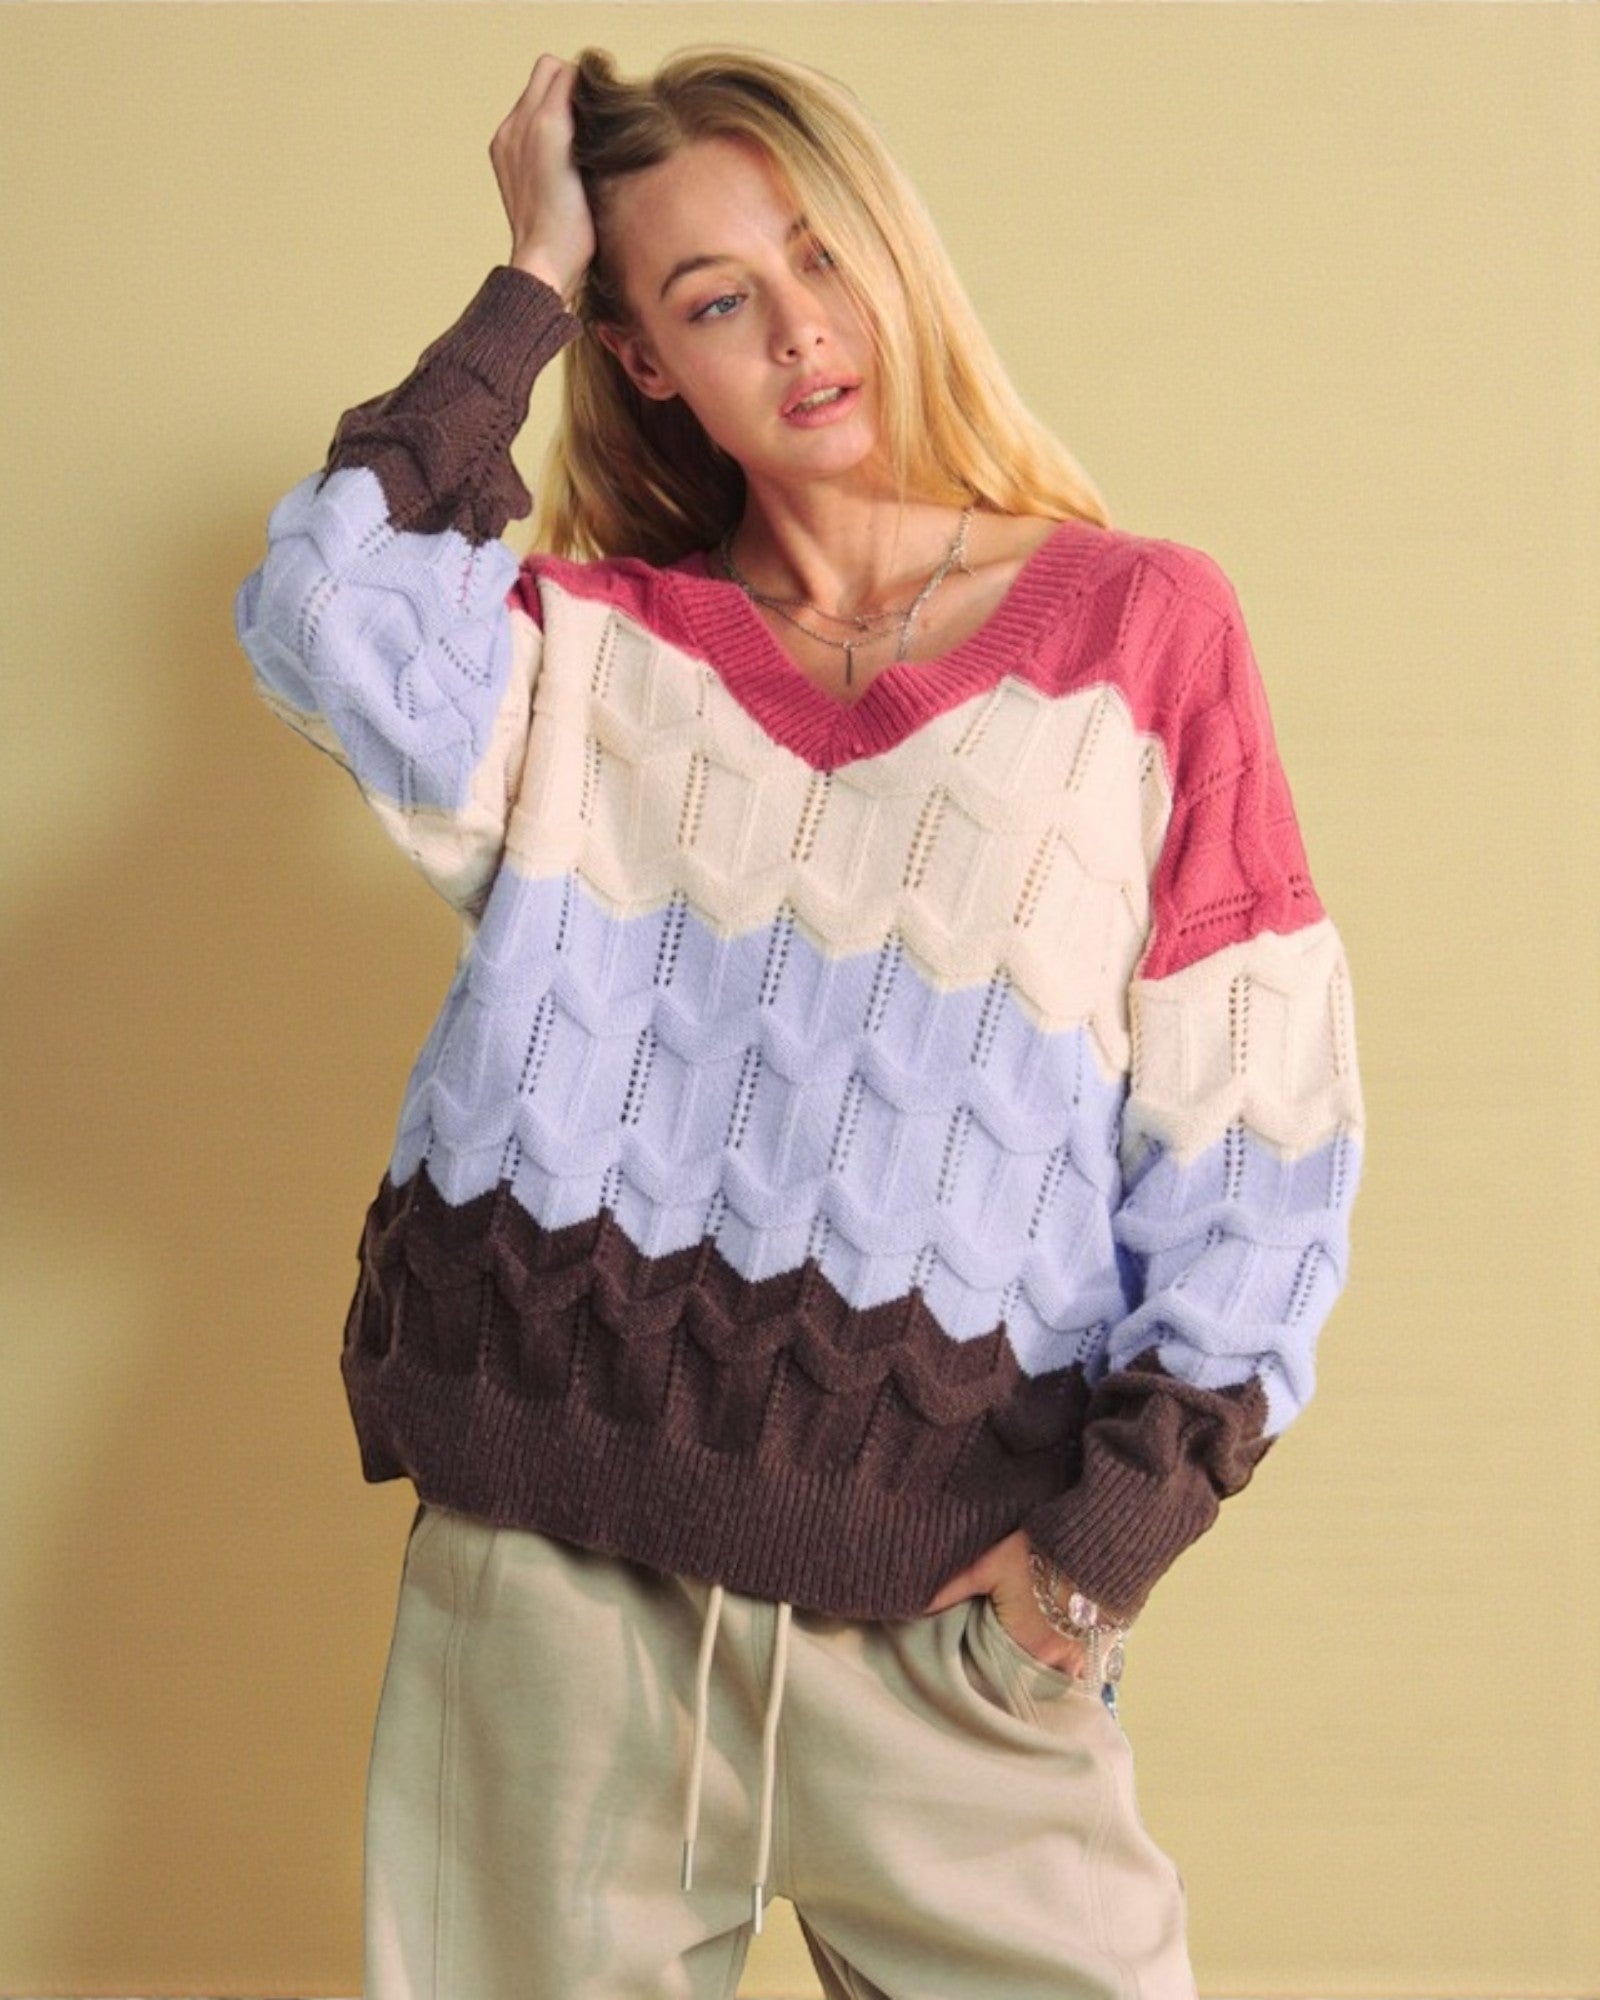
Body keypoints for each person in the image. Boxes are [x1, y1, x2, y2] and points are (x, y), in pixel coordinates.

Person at [235, 44, 1364, 2000]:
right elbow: (326, 605)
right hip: (552, 1596)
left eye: (819, 257)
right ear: (646, 360)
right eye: (712, 299)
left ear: (895, 261)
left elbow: (1254, 1106)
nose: (800, 330)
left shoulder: (1135, 637)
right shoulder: (587, 661)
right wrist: (525, 273)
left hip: (939, 1617)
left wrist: (1105, 1538)